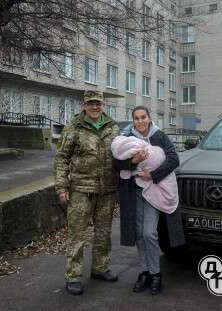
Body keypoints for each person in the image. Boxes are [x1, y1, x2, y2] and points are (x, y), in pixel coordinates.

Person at [113, 106, 185, 295]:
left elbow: (173, 159)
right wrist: (134, 161)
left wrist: (153, 175)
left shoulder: (159, 136)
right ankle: (144, 272)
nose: (140, 121)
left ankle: (156, 274)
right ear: (133, 120)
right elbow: (116, 163)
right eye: (136, 118)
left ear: (149, 118)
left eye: (143, 117)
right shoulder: (127, 137)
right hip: (134, 191)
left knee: (149, 233)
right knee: (138, 233)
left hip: (154, 191)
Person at [54, 90, 120, 295]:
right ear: (84, 105)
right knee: (77, 235)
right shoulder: (74, 127)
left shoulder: (113, 127)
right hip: (81, 190)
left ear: (103, 105)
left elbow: (120, 156)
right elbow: (62, 158)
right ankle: (73, 276)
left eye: (98, 103)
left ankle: (100, 268)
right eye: (90, 103)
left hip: (107, 190)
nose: (94, 107)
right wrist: (61, 187)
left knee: (103, 234)